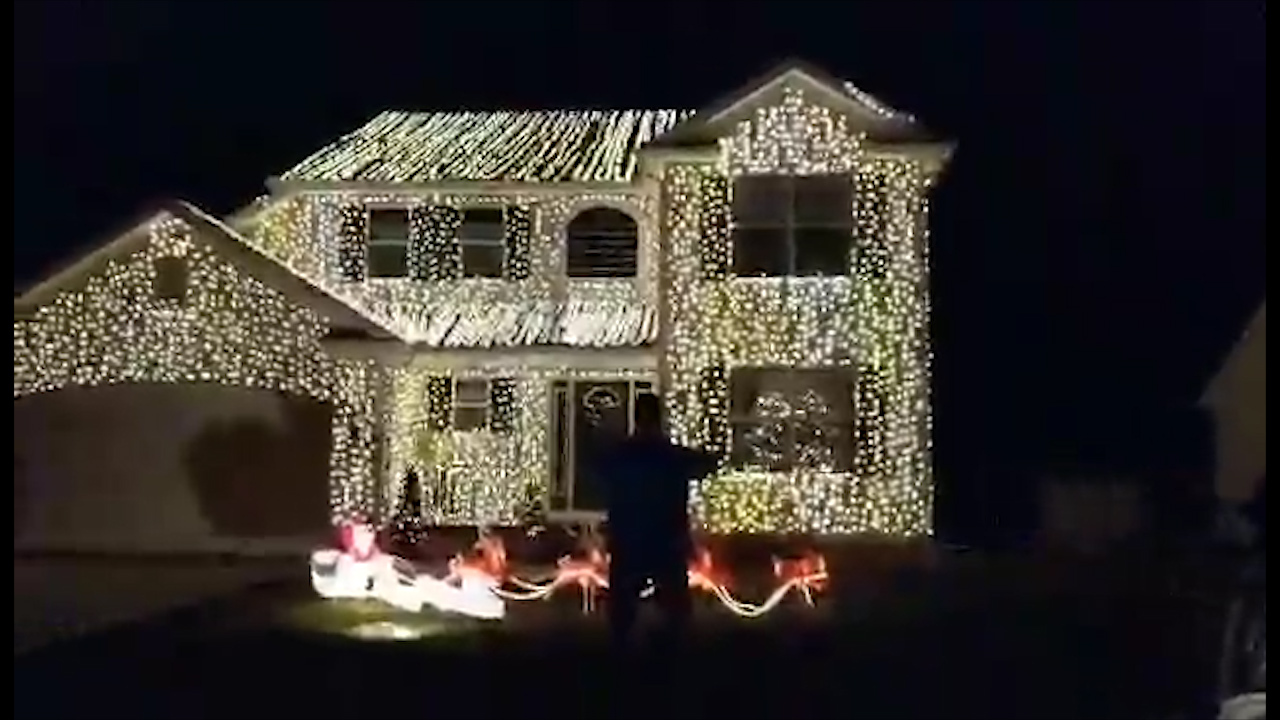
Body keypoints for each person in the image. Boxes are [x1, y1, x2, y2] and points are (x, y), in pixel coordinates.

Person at [595, 393, 719, 649]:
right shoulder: (671, 457)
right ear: (659, 420)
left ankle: (620, 657)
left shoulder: (621, 456)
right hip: (666, 541)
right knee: (675, 609)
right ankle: (672, 656)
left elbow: (597, 468)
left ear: (636, 418)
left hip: (629, 540)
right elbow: (708, 464)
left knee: (622, 611)